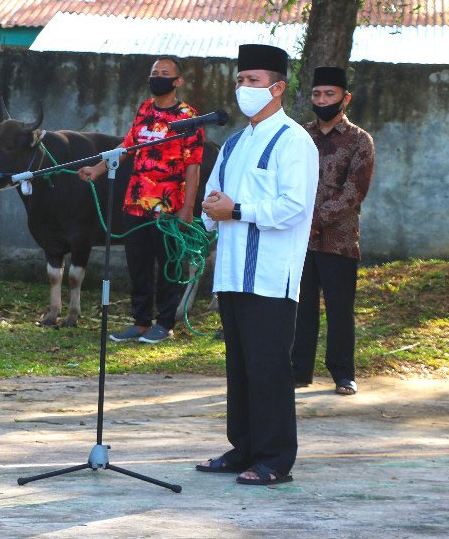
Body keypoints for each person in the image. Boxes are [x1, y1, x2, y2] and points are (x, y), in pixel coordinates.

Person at [196, 43, 318, 487]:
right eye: (240, 80)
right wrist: (207, 218)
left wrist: (238, 210)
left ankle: (274, 459)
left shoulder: (294, 141)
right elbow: (213, 198)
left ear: (278, 87)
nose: (242, 88)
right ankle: (242, 447)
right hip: (231, 272)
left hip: (269, 276)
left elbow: (294, 206)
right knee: (240, 366)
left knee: (268, 368)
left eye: (252, 81)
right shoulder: (233, 144)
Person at [78, 56, 204, 344]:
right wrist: (97, 170)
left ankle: (165, 323)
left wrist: (187, 208)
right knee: (138, 265)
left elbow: (193, 166)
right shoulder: (145, 109)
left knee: (169, 264)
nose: (157, 77)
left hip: (169, 208)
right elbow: (128, 146)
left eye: (164, 73)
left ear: (178, 81)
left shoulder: (188, 117)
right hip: (136, 203)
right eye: (154, 73)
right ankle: (141, 322)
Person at [292, 67, 375, 396]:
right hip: (298, 241)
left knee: (340, 309)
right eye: (317, 94)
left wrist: (312, 220)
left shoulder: (359, 140)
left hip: (339, 242)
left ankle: (343, 374)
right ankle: (299, 371)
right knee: (301, 307)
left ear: (345, 98)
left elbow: (354, 193)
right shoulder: (299, 136)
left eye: (330, 94)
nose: (322, 100)